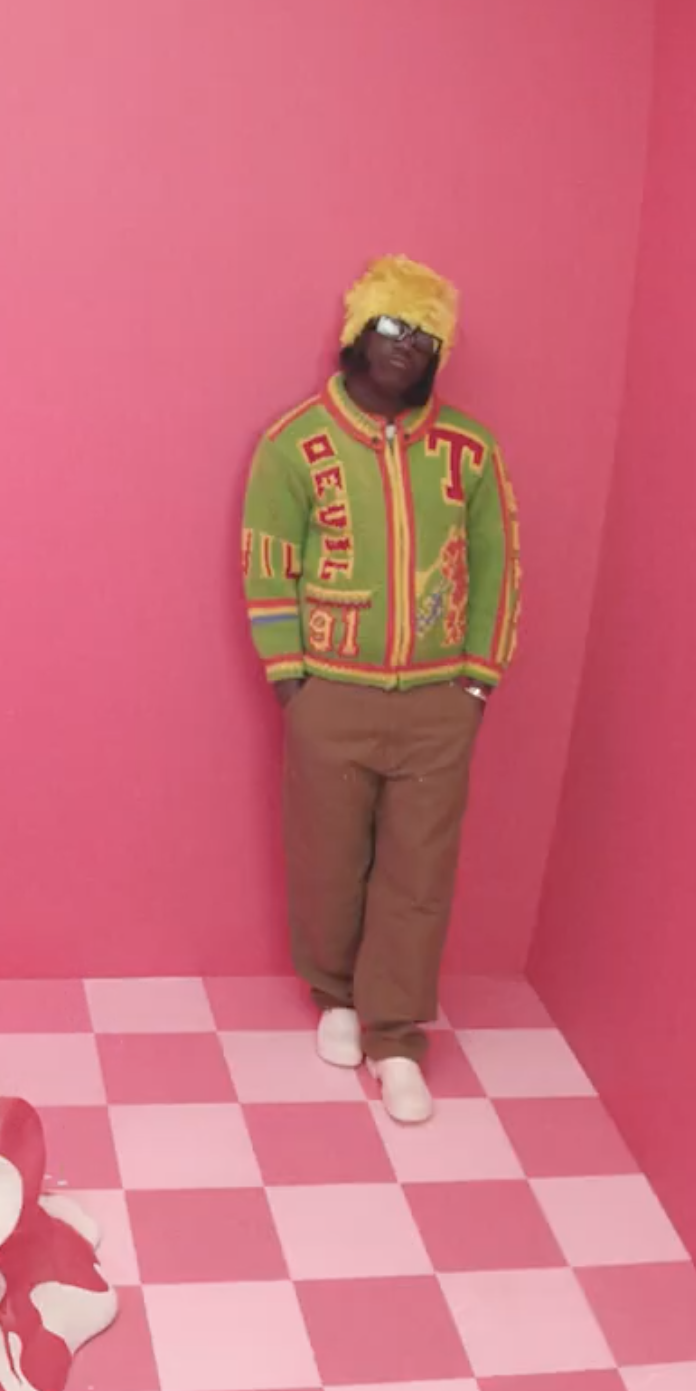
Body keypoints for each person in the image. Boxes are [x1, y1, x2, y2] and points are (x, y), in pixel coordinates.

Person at [240, 254, 523, 1124]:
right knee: (327, 854)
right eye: (393, 327)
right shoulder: (295, 444)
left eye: (425, 335)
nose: (406, 346)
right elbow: (267, 562)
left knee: (418, 870)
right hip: (331, 694)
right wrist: (291, 680)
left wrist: (476, 683)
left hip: (439, 701)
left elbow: (497, 565)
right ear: (359, 332)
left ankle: (394, 1033)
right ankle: (335, 993)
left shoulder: (469, 452)